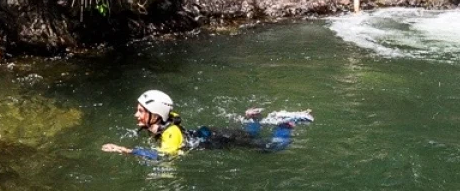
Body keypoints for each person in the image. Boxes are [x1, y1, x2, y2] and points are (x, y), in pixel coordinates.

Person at [99, 90, 314, 160]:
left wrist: (125, 150)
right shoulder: (159, 122)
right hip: (206, 134)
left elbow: (164, 157)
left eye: (141, 111)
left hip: (215, 140)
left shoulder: (170, 133)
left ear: (155, 115)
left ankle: (285, 125)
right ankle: (252, 119)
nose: (136, 114)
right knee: (247, 137)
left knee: (269, 148)